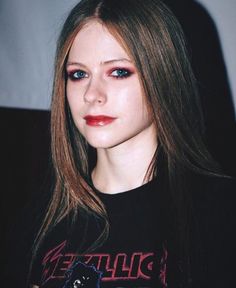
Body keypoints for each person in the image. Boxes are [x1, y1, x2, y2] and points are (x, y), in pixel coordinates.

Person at [30, 0, 235, 287]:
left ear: (162, 76)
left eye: (118, 72)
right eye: (78, 74)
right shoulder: (40, 220)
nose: (92, 94)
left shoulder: (221, 213)